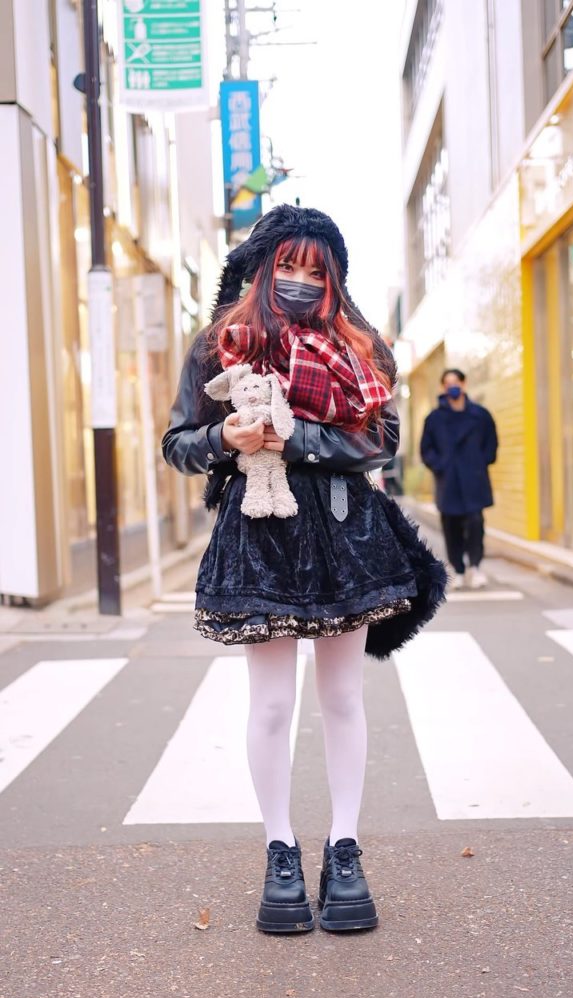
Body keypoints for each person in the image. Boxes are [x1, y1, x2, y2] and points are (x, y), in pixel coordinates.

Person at [162, 205, 446, 935]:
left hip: (347, 532)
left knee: (343, 697)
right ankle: (280, 851)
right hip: (262, 532)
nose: (298, 281)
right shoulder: (220, 344)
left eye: (315, 271)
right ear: (262, 267)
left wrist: (296, 440)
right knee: (271, 706)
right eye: (287, 266)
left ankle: (344, 850)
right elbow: (178, 441)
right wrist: (226, 433)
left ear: (334, 278)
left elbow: (379, 440)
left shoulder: (359, 342)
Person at [420, 368, 498, 590]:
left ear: (464, 384)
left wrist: (480, 462)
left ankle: (475, 567)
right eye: (448, 383)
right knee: (451, 524)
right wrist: (440, 466)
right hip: (449, 479)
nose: (452, 387)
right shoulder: (434, 419)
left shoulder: (480, 415)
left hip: (474, 477)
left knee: (475, 522)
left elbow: (491, 443)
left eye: (456, 382)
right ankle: (458, 568)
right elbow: (426, 449)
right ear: (443, 387)